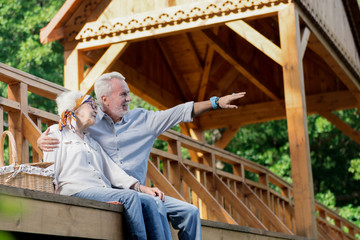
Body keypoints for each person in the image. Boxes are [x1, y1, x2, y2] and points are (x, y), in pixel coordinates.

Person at [39, 72, 246, 240]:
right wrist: (42, 142)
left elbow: (179, 112)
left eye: (128, 94)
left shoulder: (142, 120)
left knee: (190, 211)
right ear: (104, 99)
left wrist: (216, 103)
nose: (129, 98)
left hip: (130, 189)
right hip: (106, 191)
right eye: (123, 94)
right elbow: (63, 129)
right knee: (151, 203)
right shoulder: (88, 124)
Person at [43, 91, 172, 240]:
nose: (96, 109)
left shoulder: (91, 141)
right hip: (75, 190)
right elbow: (49, 168)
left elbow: (113, 171)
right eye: (91, 104)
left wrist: (142, 188)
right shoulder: (56, 132)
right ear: (74, 109)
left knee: (152, 201)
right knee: (130, 197)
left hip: (101, 190)